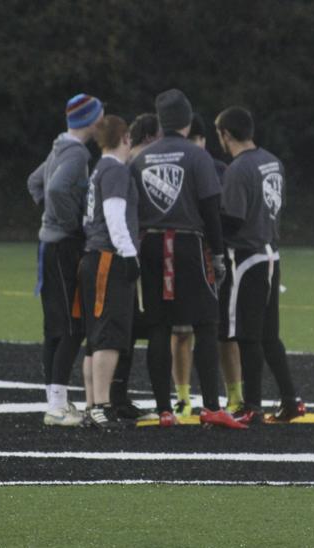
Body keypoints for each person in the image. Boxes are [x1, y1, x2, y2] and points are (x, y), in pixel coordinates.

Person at [131, 89, 244, 429]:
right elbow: (211, 208)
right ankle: (211, 406)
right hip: (189, 246)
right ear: (186, 119)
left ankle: (165, 409)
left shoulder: (141, 159)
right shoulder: (198, 158)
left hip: (150, 246)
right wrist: (219, 252)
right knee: (206, 324)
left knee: (159, 326)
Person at [214, 106, 305, 425]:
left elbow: (234, 221)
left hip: (247, 256)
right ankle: (290, 400)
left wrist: (209, 229)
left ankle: (250, 405)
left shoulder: (238, 169)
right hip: (271, 253)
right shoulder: (272, 161)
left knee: (246, 335)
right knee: (269, 335)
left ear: (226, 134)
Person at [27, 93, 104, 427]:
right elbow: (57, 190)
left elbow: (35, 182)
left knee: (54, 327)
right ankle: (56, 406)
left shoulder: (59, 147)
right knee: (74, 324)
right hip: (62, 245)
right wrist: (67, 224)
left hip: (48, 245)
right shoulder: (76, 154)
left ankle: (56, 401)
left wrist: (49, 220)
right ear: (90, 119)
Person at [170, 113, 244, 419]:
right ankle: (183, 396)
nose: (193, 146)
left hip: (212, 256)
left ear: (203, 141)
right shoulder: (179, 167)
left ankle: (235, 394)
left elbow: (224, 214)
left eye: (197, 141)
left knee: (224, 331)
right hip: (188, 256)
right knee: (182, 330)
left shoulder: (218, 169)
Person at [78, 115, 140, 429]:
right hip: (108, 257)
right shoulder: (115, 170)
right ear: (126, 138)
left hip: (94, 256)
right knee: (108, 336)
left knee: (96, 337)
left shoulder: (99, 168)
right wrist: (129, 255)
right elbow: (114, 216)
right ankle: (99, 405)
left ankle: (93, 404)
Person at [108, 112, 162, 423]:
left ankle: (117, 395)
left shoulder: (125, 165)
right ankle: (115, 397)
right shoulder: (135, 165)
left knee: (125, 329)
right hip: (132, 253)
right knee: (134, 327)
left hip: (130, 251)